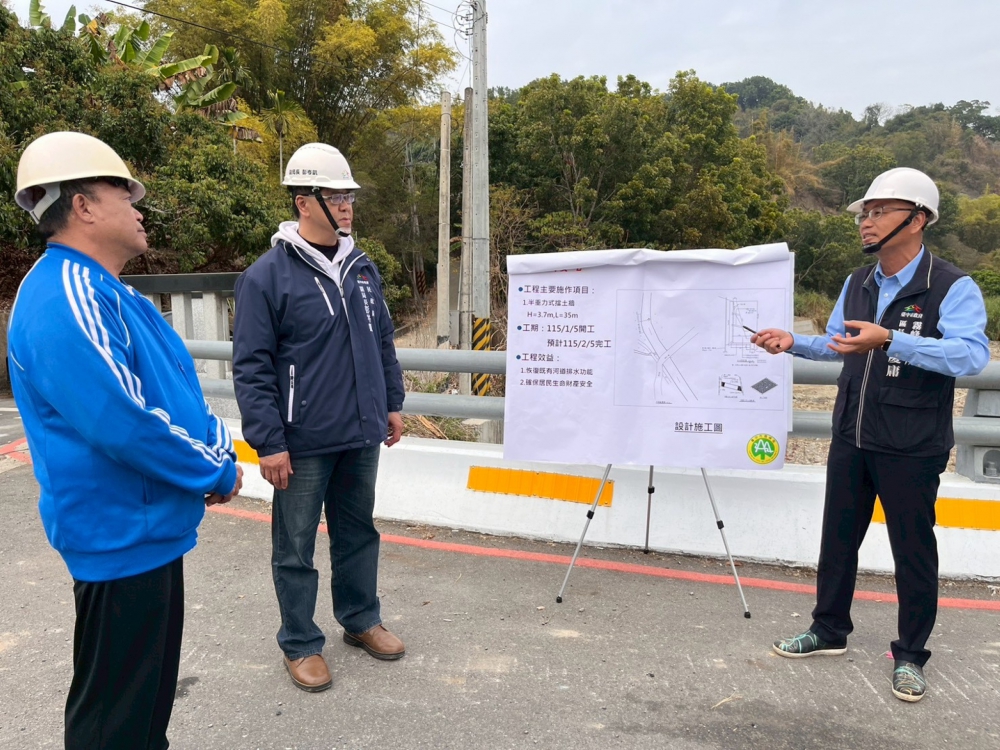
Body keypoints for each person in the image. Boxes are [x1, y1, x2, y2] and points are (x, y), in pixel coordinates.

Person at [7, 131, 243, 749]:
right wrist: (216, 470)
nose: (139, 205)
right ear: (83, 205)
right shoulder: (65, 294)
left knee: (142, 715)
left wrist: (215, 449)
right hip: (119, 535)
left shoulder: (109, 291)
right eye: (123, 192)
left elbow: (177, 389)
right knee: (113, 723)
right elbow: (126, 420)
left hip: (147, 529)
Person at [752, 167, 989, 702]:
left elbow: (971, 355)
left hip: (912, 442)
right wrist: (792, 341)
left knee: (912, 550)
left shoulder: (952, 286)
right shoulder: (858, 282)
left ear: (918, 219)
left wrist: (891, 341)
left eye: (880, 211)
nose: (866, 220)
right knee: (838, 540)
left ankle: (910, 655)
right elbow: (838, 343)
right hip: (851, 434)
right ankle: (828, 630)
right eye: (865, 212)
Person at [232, 143, 406, 693]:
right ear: (303, 201)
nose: (347, 204)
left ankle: (360, 619)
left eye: (349, 195)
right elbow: (252, 366)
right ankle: (301, 642)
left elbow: (382, 342)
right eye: (335, 195)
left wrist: (392, 402)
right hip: (302, 440)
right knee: (295, 546)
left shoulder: (362, 268)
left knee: (358, 532)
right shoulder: (267, 276)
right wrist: (268, 441)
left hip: (361, 432)